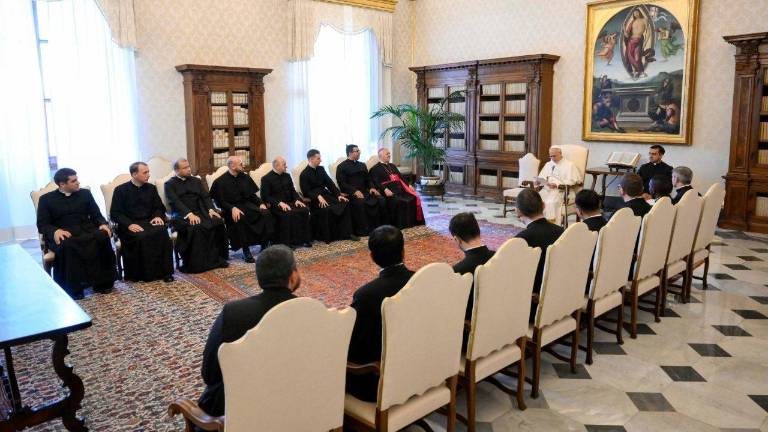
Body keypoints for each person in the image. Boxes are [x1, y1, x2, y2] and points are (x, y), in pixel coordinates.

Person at [197, 245, 300, 417]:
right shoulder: (310, 310)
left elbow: (209, 373)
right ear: (292, 276)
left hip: (243, 409)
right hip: (296, 401)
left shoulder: (234, 313)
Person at [346, 225, 414, 402]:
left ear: (372, 257)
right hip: (417, 366)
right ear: (403, 251)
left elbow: (354, 346)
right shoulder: (420, 280)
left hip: (379, 384)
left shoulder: (366, 295)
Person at [37, 168, 117, 299]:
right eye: (74, 181)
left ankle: (102, 283)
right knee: (68, 244)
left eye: (77, 179)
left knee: (102, 236)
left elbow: (96, 214)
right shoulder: (46, 199)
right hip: (63, 233)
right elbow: (42, 224)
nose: (78, 183)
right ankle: (75, 287)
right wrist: (55, 231)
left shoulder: (85, 194)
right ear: (62, 184)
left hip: (86, 229)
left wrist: (102, 223)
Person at [111, 162, 174, 283]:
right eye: (145, 172)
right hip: (130, 225)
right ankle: (144, 274)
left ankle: (165, 272)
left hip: (149, 222)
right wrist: (129, 224)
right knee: (141, 236)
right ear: (134, 174)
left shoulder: (151, 188)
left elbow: (159, 207)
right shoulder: (120, 190)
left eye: (148, 172)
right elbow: (116, 213)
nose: (148, 175)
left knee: (161, 232)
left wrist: (157, 216)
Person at [165, 159, 229, 273]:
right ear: (177, 170)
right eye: (185, 168)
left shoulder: (196, 180)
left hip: (201, 211)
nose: (189, 169)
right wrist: (189, 214)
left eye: (188, 166)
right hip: (181, 215)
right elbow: (175, 202)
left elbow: (205, 196)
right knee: (196, 227)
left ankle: (217, 259)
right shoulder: (169, 184)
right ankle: (197, 263)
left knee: (217, 222)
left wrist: (211, 209)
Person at [209, 156, 274, 263]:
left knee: (265, 213)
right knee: (240, 218)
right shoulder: (220, 182)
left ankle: (264, 245)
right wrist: (232, 208)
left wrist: (261, 204)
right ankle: (246, 250)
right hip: (230, 209)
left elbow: (252, 196)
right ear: (232, 166)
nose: (243, 165)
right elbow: (219, 202)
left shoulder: (245, 177)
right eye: (240, 164)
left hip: (247, 205)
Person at [514, 189, 564, 321]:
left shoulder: (521, 240)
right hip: (561, 297)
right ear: (543, 205)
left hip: (535, 306)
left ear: (518, 212)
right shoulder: (562, 232)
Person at [299, 149, 357, 243]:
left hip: (327, 196)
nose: (320, 160)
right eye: (318, 158)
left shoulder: (321, 169)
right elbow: (306, 192)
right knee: (327, 209)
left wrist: (338, 195)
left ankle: (347, 233)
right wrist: (317, 196)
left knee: (344, 203)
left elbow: (329, 183)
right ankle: (329, 236)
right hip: (315, 200)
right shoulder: (304, 174)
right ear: (311, 159)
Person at [449, 212, 494, 321]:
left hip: (474, 327)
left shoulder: (458, 271)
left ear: (457, 240)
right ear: (478, 232)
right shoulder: (499, 256)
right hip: (500, 317)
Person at [259, 157, 312, 248]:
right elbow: (265, 196)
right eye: (284, 164)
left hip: (290, 203)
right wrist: (279, 203)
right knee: (288, 213)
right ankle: (288, 242)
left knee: (304, 210)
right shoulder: (266, 179)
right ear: (277, 166)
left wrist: (297, 200)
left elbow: (292, 190)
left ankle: (304, 239)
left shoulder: (287, 176)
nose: (286, 166)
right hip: (276, 206)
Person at [336, 144, 386, 236]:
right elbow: (342, 184)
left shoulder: (362, 165)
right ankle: (364, 230)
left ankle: (379, 227)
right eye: (357, 151)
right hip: (352, 193)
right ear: (350, 153)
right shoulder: (341, 167)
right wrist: (354, 191)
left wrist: (372, 187)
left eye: (359, 151)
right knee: (361, 203)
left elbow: (368, 179)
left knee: (380, 199)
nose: (359, 152)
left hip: (366, 191)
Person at [369, 148, 424, 229]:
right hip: (389, 191)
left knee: (413, 197)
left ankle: (412, 223)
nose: (389, 155)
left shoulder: (392, 166)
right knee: (397, 201)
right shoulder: (375, 169)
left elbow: (401, 177)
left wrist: (409, 185)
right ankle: (400, 225)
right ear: (380, 156)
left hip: (400, 189)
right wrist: (385, 189)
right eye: (387, 154)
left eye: (389, 154)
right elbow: (376, 182)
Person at [535, 146, 582, 225]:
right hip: (547, 190)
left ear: (560, 154)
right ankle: (539, 224)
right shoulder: (548, 164)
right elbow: (541, 177)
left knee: (551, 202)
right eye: (550, 156)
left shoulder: (569, 165)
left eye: (554, 156)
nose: (552, 158)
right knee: (535, 201)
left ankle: (552, 225)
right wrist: (538, 181)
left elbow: (573, 181)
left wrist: (557, 185)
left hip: (562, 191)